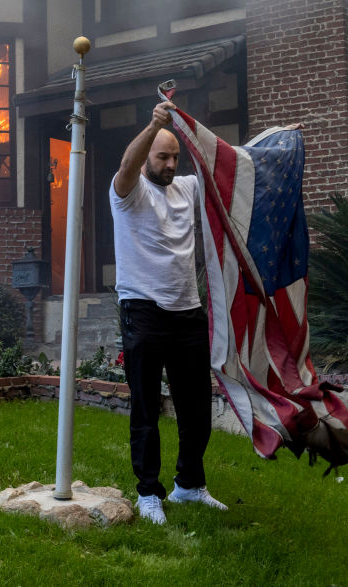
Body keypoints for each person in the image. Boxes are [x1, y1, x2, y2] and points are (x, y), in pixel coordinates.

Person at [109, 100, 227, 525]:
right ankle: (148, 493)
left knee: (197, 409)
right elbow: (126, 164)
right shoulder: (128, 192)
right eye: (163, 156)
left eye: (175, 156)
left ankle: (190, 486)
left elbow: (231, 170)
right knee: (145, 408)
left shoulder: (187, 187)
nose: (171, 163)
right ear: (148, 157)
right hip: (142, 310)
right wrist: (152, 126)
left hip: (187, 312)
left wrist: (277, 143)